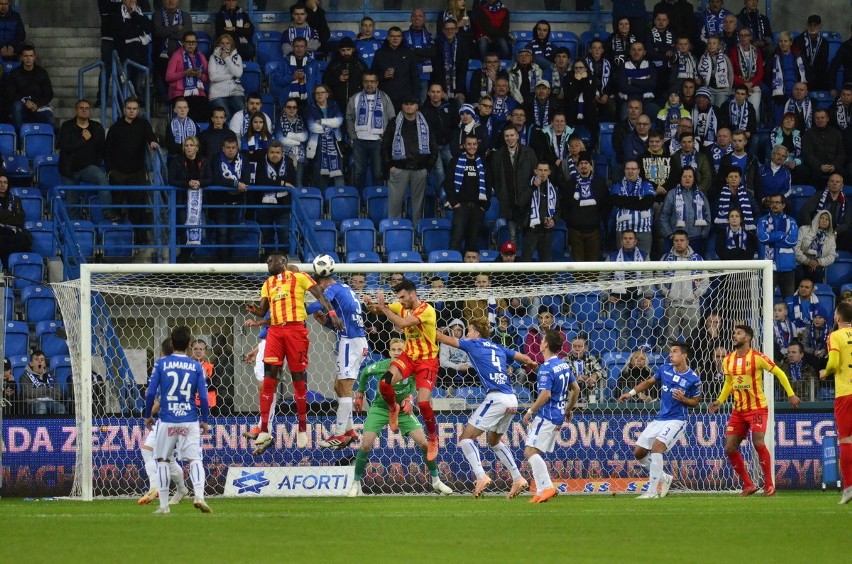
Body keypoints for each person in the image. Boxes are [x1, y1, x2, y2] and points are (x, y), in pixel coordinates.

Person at [247, 254, 342, 454]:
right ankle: (264, 430)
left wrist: (332, 314)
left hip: (295, 330)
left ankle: (301, 427)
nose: (269, 263)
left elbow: (320, 296)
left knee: (298, 379)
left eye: (273, 261)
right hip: (275, 332)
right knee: (268, 379)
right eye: (267, 262)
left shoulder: (300, 277)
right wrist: (254, 310)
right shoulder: (267, 283)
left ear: (284, 263)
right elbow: (263, 309)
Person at [438, 317, 538, 498]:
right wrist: (532, 363)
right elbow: (523, 357)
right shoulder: (498, 346)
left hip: (497, 397)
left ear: (476, 333)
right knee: (494, 441)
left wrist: (423, 326)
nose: (467, 334)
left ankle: (481, 476)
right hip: (512, 399)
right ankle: (518, 478)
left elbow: (443, 339)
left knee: (465, 438)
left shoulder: (473, 344)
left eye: (468, 330)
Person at [348, 338, 453, 497]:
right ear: (389, 352)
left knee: (425, 444)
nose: (397, 353)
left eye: (400, 350)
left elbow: (413, 385)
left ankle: (436, 481)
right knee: (366, 445)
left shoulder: (410, 368)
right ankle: (355, 483)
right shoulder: (382, 366)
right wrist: (360, 393)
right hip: (380, 409)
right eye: (394, 349)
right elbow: (365, 372)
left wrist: (409, 398)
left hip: (403, 412)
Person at [709, 325, 800, 496]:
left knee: (758, 442)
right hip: (738, 410)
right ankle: (749, 484)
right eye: (734, 332)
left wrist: (791, 394)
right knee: (729, 447)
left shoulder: (758, 358)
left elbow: (780, 373)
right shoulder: (727, 359)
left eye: (738, 333)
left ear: (748, 338)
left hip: (757, 408)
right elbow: (729, 383)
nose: (734, 335)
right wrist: (720, 401)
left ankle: (769, 484)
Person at [362, 279, 441, 461]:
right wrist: (371, 304)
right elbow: (378, 310)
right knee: (384, 383)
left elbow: (404, 324)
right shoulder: (401, 305)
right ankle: (393, 408)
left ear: (413, 294)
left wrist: (384, 308)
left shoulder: (427, 310)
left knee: (422, 404)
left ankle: (432, 438)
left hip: (427, 361)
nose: (401, 300)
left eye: (403, 297)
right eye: (399, 298)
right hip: (408, 356)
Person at [618, 341, 701, 499]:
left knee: (657, 448)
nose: (671, 354)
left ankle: (652, 492)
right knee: (639, 452)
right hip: (660, 418)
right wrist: (631, 393)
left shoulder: (693, 378)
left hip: (677, 420)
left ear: (684, 355)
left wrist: (683, 398)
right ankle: (665, 478)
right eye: (670, 351)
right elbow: (649, 382)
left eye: (675, 351)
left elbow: (696, 401)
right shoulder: (665, 369)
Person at [143, 326, 211, 514]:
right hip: (189, 419)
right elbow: (204, 398)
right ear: (189, 346)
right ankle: (199, 496)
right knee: (195, 459)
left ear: (172, 343)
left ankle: (164, 506)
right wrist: (204, 420)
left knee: (163, 460)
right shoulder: (196, 366)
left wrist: (148, 414)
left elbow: (150, 393)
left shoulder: (161, 364)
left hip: (167, 419)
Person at [306, 273, 368, 449]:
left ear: (322, 283)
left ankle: (339, 434)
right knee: (338, 387)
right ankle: (349, 430)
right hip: (355, 340)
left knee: (345, 387)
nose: (318, 293)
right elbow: (343, 321)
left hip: (350, 342)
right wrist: (326, 322)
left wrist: (298, 312)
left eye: (317, 289)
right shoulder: (345, 289)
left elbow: (320, 303)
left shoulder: (332, 288)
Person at [521, 329, 579, 503]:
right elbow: (576, 389)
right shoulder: (563, 364)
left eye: (542, 339)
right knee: (534, 450)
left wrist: (530, 411)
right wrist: (568, 409)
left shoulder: (546, 368)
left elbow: (545, 394)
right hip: (558, 414)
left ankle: (546, 487)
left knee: (530, 451)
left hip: (546, 415)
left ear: (545, 344)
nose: (540, 342)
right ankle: (540, 491)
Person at [137, 337, 188, 507]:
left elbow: (160, 398)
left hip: (172, 418)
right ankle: (179, 489)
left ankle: (156, 487)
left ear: (162, 352)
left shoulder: (163, 368)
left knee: (158, 455)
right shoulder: (186, 366)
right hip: (174, 419)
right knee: (159, 455)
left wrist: (149, 412)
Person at [104, 96, 159, 253]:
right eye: (129, 108)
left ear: (138, 110)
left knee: (138, 208)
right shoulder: (115, 128)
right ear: (124, 110)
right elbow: (107, 151)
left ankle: (139, 239)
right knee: (117, 208)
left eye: (134, 108)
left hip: (137, 172)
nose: (132, 111)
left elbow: (151, 138)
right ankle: (120, 243)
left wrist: (153, 142)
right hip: (118, 173)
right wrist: (110, 171)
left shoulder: (143, 124)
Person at [382, 95, 437, 224]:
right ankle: (394, 232)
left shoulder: (426, 122)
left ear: (417, 106)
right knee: (394, 205)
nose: (409, 106)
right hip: (399, 169)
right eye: (406, 103)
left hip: (419, 169)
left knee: (418, 206)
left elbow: (433, 146)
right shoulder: (394, 122)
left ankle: (417, 234)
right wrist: (390, 166)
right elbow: (385, 146)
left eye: (412, 103)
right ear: (402, 106)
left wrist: (428, 166)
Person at [820, 302, 852, 504]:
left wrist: (825, 372)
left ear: (838, 318)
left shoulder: (835, 336)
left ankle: (849, 487)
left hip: (846, 393)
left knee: (846, 440)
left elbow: (832, 363)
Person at [58, 99, 111, 221]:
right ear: (76, 110)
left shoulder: (97, 128)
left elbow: (102, 149)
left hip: (87, 168)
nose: (84, 110)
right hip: (68, 170)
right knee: (72, 204)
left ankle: (107, 211)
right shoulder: (67, 126)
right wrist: (83, 140)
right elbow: (65, 147)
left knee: (101, 177)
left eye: (87, 108)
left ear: (90, 111)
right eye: (81, 108)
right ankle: (76, 230)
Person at [346, 72, 394, 192]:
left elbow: (392, 118)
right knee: (359, 173)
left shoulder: (385, 97)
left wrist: (386, 135)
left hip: (378, 141)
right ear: (362, 83)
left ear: (377, 83)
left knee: (378, 173)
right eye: (366, 81)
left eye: (372, 81)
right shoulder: (355, 98)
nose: (369, 84)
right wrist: (353, 135)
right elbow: (349, 118)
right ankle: (359, 202)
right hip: (359, 141)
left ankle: (375, 201)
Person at [168, 135, 211, 263]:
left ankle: (182, 259)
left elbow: (210, 179)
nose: (188, 148)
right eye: (186, 145)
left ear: (197, 148)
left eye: (191, 145)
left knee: (200, 234)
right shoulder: (177, 161)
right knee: (184, 232)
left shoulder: (204, 160)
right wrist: (188, 183)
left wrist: (199, 182)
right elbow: (171, 179)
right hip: (182, 203)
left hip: (199, 203)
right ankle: (184, 261)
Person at [445, 133, 490, 252]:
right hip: (461, 207)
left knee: (473, 243)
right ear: (464, 145)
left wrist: (484, 206)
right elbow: (448, 183)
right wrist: (454, 202)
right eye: (469, 144)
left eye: (474, 144)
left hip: (477, 208)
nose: (472, 147)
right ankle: (453, 269)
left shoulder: (482, 162)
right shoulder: (455, 161)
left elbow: (488, 184)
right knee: (456, 240)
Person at [564, 151, 608, 262]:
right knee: (578, 266)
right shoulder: (570, 184)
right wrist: (571, 221)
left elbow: (607, 204)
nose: (584, 165)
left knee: (592, 265)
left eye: (586, 163)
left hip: (594, 230)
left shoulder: (600, 183)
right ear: (577, 167)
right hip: (575, 231)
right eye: (581, 163)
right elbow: (564, 206)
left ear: (591, 166)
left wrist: (598, 218)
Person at [757, 194, 799, 298]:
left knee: (789, 301)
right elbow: (762, 238)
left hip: (787, 267)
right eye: (772, 202)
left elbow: (792, 241)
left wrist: (771, 238)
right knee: (765, 300)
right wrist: (781, 235)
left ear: (783, 205)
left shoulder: (791, 221)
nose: (774, 205)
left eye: (777, 202)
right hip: (768, 267)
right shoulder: (762, 220)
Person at [611, 160, 656, 255]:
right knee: (623, 263)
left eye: (633, 169)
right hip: (623, 231)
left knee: (644, 264)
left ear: (638, 171)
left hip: (643, 231)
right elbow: (617, 201)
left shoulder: (646, 185)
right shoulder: (617, 185)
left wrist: (626, 202)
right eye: (628, 168)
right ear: (624, 170)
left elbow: (647, 203)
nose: (630, 171)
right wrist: (638, 199)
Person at [6, 43, 54, 132]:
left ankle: (48, 144)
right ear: (21, 58)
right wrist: (25, 101)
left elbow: (48, 94)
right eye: (26, 56)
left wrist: (37, 104)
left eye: (31, 56)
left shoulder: (42, 73)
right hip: (21, 105)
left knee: (50, 118)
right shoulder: (14, 73)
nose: (28, 58)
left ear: (34, 57)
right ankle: (20, 141)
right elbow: (10, 93)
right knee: (16, 107)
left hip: (38, 106)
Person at [152, 0, 192, 104]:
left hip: (181, 59)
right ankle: (164, 102)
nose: (171, 1)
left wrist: (167, 32)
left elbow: (186, 36)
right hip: (161, 58)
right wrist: (176, 28)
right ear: (163, 1)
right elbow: (158, 32)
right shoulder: (157, 14)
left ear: (178, 1)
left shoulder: (186, 16)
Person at [112, 0, 152, 104]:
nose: (131, 1)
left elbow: (148, 28)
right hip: (125, 56)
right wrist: (139, 29)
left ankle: (139, 113)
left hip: (140, 56)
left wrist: (134, 14)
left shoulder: (139, 11)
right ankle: (121, 113)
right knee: (124, 86)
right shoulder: (116, 11)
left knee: (138, 87)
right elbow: (122, 32)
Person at [306, 84, 345, 189]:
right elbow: (312, 126)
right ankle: (322, 202)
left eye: (322, 93)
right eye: (317, 93)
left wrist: (322, 122)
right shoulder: (311, 108)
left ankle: (339, 200)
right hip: (318, 144)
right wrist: (330, 126)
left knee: (338, 173)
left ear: (327, 94)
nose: (319, 95)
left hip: (335, 143)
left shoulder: (334, 105)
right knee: (320, 176)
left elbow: (339, 121)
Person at [372, 27, 419, 112]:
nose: (395, 38)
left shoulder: (409, 53)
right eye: (392, 36)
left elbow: (415, 76)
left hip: (405, 98)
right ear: (388, 37)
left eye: (398, 36)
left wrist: (415, 97)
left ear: (402, 38)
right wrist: (383, 76)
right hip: (384, 97)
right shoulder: (379, 53)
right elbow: (373, 75)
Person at [270, 37, 322, 109]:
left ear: (306, 48)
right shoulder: (284, 62)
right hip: (288, 102)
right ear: (292, 47)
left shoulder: (313, 63)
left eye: (302, 46)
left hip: (308, 102)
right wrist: (292, 77)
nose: (299, 49)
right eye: (297, 46)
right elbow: (276, 81)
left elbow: (318, 83)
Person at [802, 109, 847, 188]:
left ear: (827, 119)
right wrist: (820, 166)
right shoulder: (808, 133)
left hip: (834, 166)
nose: (820, 120)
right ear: (814, 120)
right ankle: (815, 197)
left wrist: (834, 165)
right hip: (816, 167)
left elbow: (841, 153)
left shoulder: (836, 133)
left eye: (822, 117)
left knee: (844, 172)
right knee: (814, 172)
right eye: (817, 118)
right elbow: (808, 154)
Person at [324, 37, 368, 112]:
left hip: (357, 104)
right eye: (343, 50)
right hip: (337, 105)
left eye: (348, 50)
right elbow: (325, 82)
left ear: (353, 50)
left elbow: (367, 82)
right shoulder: (333, 65)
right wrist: (338, 80)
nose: (346, 53)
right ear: (339, 51)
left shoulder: (361, 65)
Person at [208, 33, 245, 121]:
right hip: (217, 93)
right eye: (222, 43)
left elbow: (238, 74)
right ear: (219, 44)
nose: (225, 45)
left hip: (235, 91)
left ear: (231, 45)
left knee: (243, 113)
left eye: (227, 43)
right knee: (225, 115)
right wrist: (231, 76)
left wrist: (227, 58)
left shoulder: (237, 57)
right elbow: (212, 77)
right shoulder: (213, 57)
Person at [433, 18, 470, 102]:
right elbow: (437, 69)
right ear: (443, 30)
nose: (450, 31)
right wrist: (440, 90)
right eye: (447, 29)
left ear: (456, 30)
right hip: (441, 86)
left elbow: (463, 69)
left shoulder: (463, 44)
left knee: (460, 101)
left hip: (458, 86)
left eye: (452, 29)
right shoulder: (437, 44)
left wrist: (460, 91)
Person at [795, 211, 836, 284]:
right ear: (817, 219)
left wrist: (818, 262)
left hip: (817, 265)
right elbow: (796, 249)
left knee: (817, 272)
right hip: (801, 262)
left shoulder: (831, 237)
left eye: (827, 219)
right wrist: (807, 261)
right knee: (799, 275)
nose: (824, 221)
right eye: (822, 218)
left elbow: (831, 257)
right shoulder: (804, 229)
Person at [20, 350, 65, 415]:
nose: (40, 361)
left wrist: (38, 393)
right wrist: (46, 389)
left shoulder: (51, 376)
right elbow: (28, 393)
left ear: (44, 364)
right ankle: (41, 425)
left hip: (50, 401)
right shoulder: (25, 377)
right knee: (41, 406)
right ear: (31, 363)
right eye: (36, 359)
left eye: (42, 359)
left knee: (60, 407)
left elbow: (58, 394)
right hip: (34, 403)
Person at [793, 14, 831, 91]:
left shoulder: (824, 43)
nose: (813, 27)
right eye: (810, 25)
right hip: (802, 78)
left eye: (815, 25)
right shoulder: (798, 40)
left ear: (820, 26)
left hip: (818, 79)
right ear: (807, 25)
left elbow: (823, 64)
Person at [0, 174, 29, 267]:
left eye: (5, 182)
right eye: (0, 182)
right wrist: (11, 215)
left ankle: (15, 269)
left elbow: (20, 218)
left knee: (21, 239)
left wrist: (3, 221)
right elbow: (15, 217)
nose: (2, 185)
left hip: (13, 231)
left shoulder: (15, 200)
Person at [566, 334, 605, 402]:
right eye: (574, 346)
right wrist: (574, 380)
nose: (577, 349)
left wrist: (594, 376)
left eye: (580, 346)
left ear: (585, 348)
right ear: (570, 348)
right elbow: (560, 377)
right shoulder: (565, 361)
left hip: (588, 397)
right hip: (569, 399)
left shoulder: (591, 359)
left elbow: (603, 372)